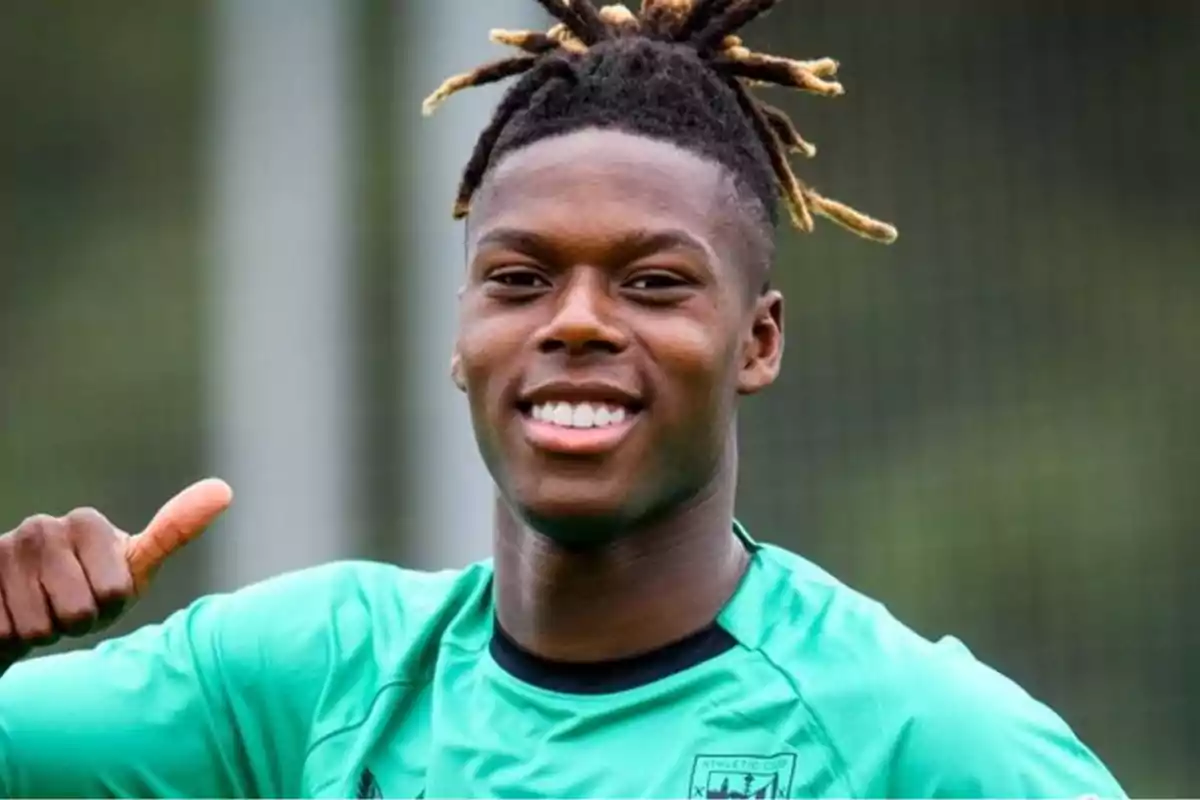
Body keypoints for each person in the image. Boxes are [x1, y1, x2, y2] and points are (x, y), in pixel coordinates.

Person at [0, 1, 1124, 798]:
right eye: (520, 279)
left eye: (653, 282)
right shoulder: (301, 677)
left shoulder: (921, 737)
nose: (576, 320)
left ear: (758, 341)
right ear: (463, 334)